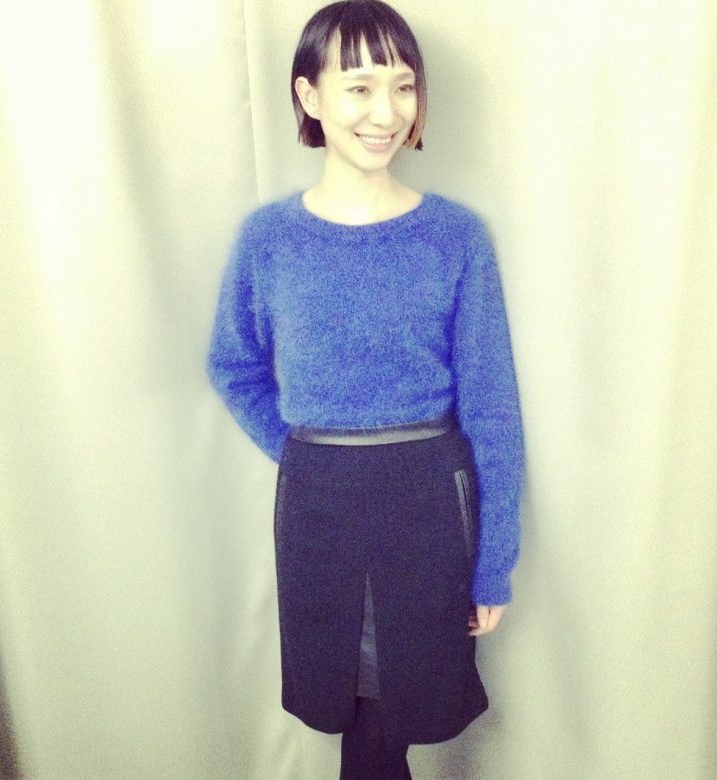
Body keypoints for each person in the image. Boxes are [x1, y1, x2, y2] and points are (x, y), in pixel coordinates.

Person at [207, 1, 524, 777]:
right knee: (352, 698)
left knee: (393, 711)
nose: (387, 111)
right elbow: (233, 364)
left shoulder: (454, 237)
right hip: (317, 507)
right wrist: (301, 451)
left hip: (428, 499)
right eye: (359, 87)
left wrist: (494, 560)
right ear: (309, 96)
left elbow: (492, 409)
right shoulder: (269, 240)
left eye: (404, 86)